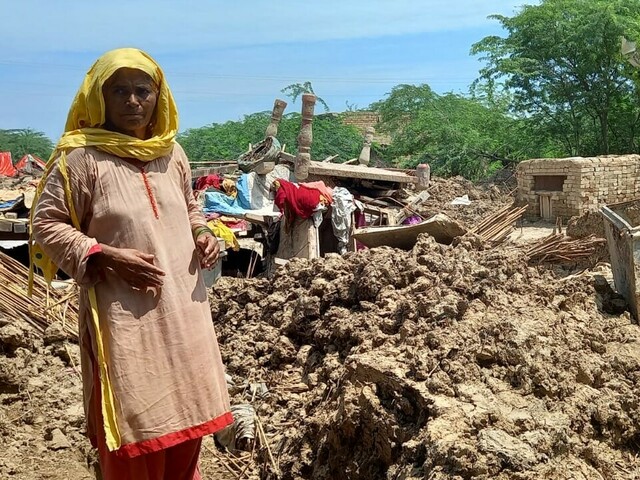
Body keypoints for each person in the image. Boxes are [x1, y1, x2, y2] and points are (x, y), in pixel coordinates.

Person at [30, 48, 232, 480]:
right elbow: (46, 223)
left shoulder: (172, 153)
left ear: (160, 97)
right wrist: (102, 255)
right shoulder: (79, 159)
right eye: (119, 90)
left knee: (186, 421)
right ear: (98, 98)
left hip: (184, 313)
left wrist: (203, 233)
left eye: (143, 90)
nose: (133, 101)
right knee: (133, 428)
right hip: (125, 320)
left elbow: (190, 206)